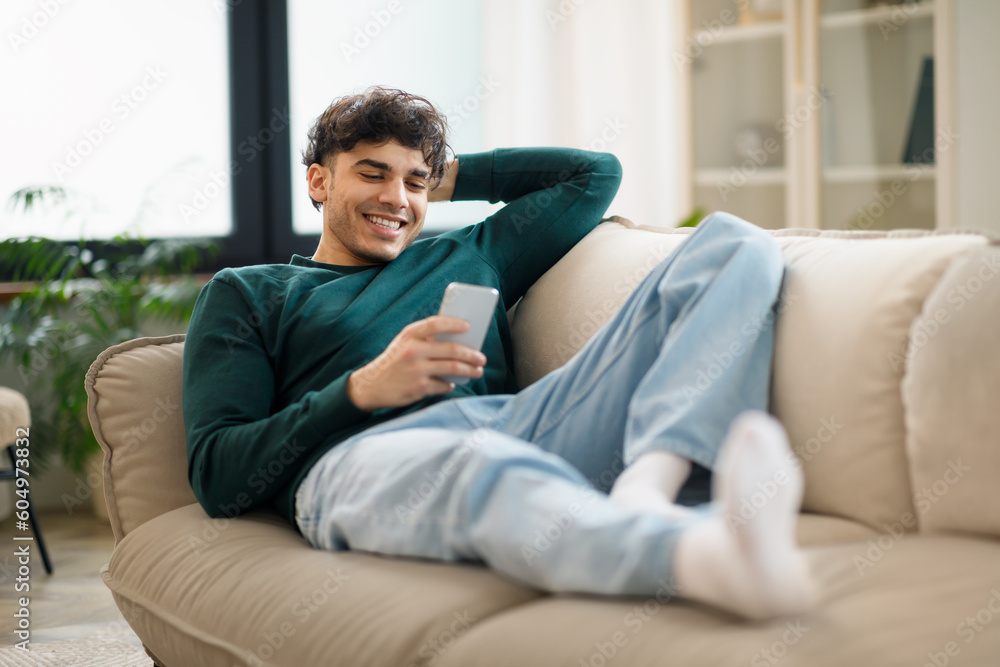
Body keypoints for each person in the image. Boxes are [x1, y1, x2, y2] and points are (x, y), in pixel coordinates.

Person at [182, 86, 816, 621]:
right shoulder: (251, 292)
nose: (396, 200)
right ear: (319, 180)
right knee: (482, 465)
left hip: (520, 425)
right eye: (372, 173)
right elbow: (218, 473)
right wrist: (360, 391)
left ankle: (650, 486)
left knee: (735, 244)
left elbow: (594, 174)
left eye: (415, 183)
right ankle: (698, 556)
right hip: (359, 458)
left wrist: (441, 172)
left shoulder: (466, 253)